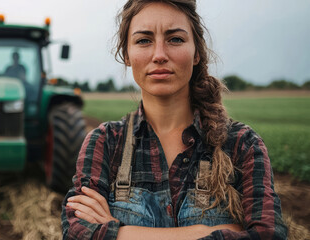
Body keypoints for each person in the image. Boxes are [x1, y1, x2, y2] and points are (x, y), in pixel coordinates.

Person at [61, 0, 287, 239]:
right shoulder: (105, 142)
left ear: (197, 52)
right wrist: (204, 232)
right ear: (126, 55)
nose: (159, 55)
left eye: (175, 39)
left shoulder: (242, 144)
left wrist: (117, 233)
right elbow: (76, 232)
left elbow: (268, 234)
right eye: (143, 40)